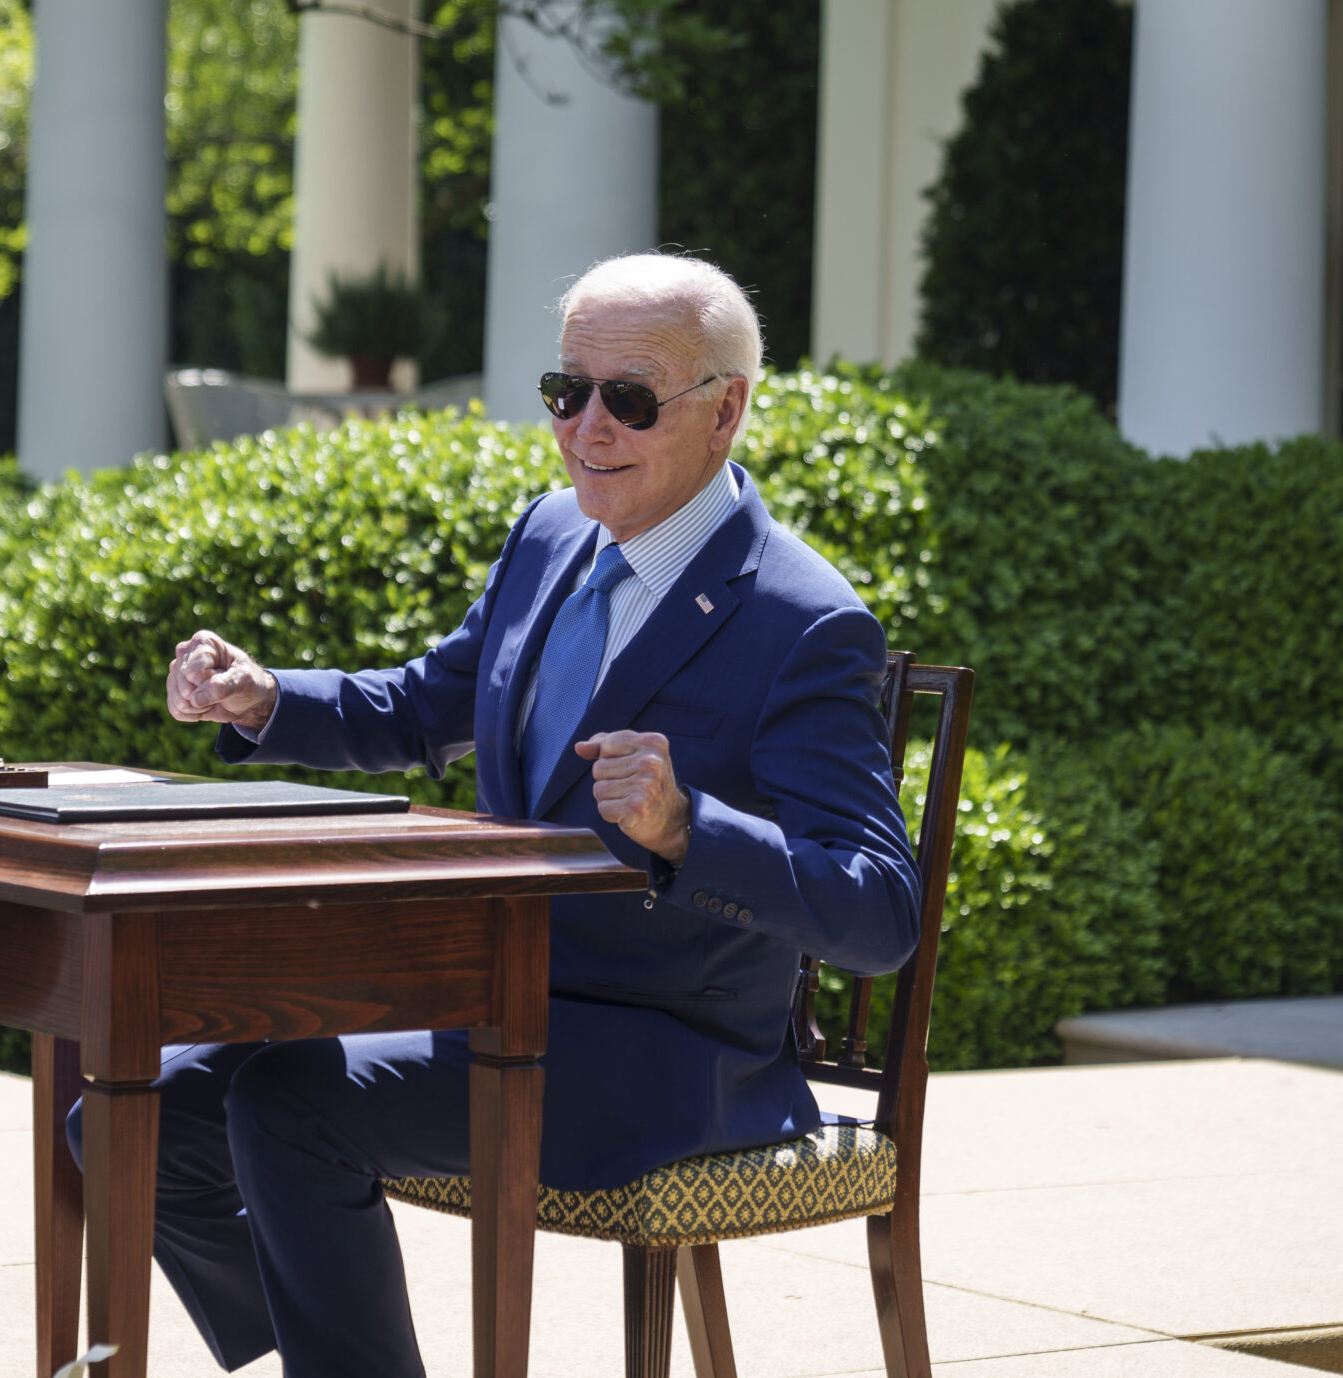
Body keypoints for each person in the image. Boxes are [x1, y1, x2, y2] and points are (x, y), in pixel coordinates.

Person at [76, 253, 920, 1376]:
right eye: (566, 392)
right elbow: (428, 704)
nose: (586, 428)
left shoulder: (804, 622)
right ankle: (322, 1351)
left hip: (663, 1062)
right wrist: (268, 696)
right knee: (130, 1104)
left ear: (728, 410)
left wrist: (689, 828)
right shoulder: (548, 537)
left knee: (289, 1105)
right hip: (482, 1001)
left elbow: (878, 912)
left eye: (628, 398)